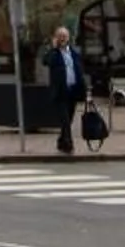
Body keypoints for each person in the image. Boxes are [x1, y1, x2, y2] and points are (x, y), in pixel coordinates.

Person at [42, 26, 85, 154]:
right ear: (56, 38)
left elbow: (79, 71)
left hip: (73, 91)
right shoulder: (54, 54)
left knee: (69, 119)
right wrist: (53, 47)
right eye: (60, 36)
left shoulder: (74, 53)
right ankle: (69, 146)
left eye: (64, 36)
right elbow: (46, 61)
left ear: (68, 38)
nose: (62, 39)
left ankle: (61, 142)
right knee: (65, 120)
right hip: (60, 92)